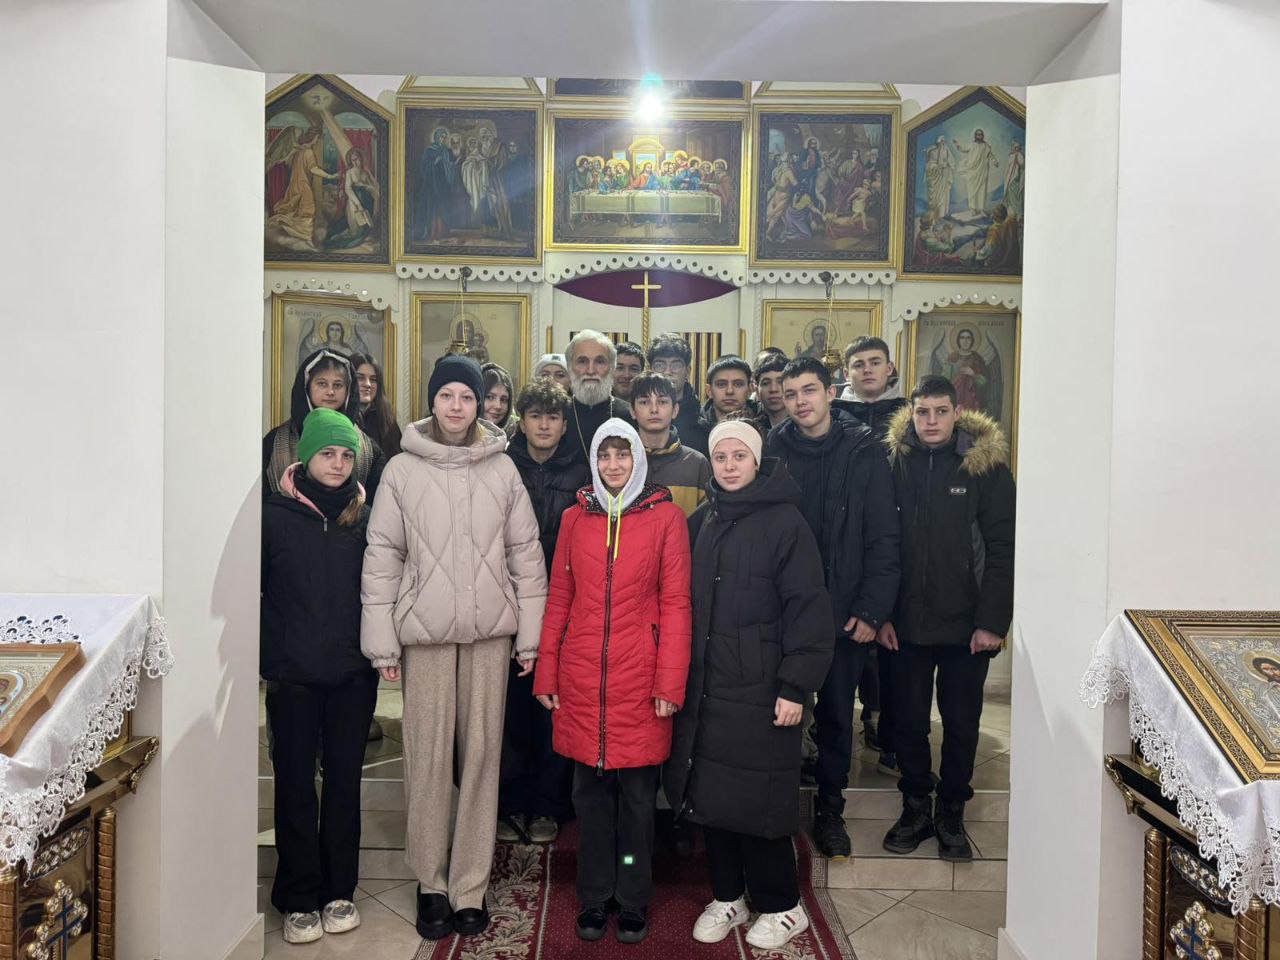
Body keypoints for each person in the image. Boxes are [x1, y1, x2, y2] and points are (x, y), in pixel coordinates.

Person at [361, 355, 547, 940]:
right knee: (428, 756)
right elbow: (383, 557)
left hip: (491, 633)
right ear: (433, 401)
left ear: (481, 404)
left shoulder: (503, 468)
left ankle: (470, 884)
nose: (458, 407)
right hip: (426, 635)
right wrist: (382, 642)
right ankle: (432, 882)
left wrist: (531, 637)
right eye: (447, 396)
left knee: (483, 756)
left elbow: (526, 555)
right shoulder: (401, 469)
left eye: (467, 397)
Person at [664, 421, 833, 950]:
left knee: (760, 799)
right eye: (721, 457)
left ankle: (783, 906)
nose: (730, 465)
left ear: (758, 461)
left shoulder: (786, 523)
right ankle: (728, 895)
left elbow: (808, 608)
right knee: (711, 796)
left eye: (740, 456)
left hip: (763, 689)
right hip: (709, 686)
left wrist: (796, 686)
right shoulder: (704, 520)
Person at [533, 418, 692, 945]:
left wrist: (669, 684)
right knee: (591, 798)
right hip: (582, 680)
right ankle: (596, 895)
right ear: (594, 461)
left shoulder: (667, 518)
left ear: (638, 459)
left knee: (638, 801)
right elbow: (560, 599)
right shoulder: (575, 518)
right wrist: (547, 671)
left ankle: (632, 896)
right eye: (605, 455)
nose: (613, 465)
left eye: (623, 455)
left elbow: (677, 604)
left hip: (640, 681)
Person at [765, 357, 900, 859]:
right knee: (781, 715)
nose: (800, 401)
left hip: (845, 611)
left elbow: (884, 536)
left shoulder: (864, 449)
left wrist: (871, 610)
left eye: (809, 390)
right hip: (785, 611)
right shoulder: (774, 448)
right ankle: (777, 809)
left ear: (830, 392)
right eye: (791, 393)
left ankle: (831, 811)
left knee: (839, 718)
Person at [879, 376, 1015, 863]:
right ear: (911, 413)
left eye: (940, 411)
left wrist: (992, 622)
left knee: (961, 723)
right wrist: (882, 615)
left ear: (957, 413)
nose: (931, 421)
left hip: (966, 626)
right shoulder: (893, 462)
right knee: (908, 722)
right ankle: (916, 805)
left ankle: (952, 809)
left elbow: (1003, 548)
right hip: (905, 623)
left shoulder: (985, 466)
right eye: (922, 412)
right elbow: (881, 543)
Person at [261, 408, 376, 945]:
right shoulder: (274, 516)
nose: (337, 464)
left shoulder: (366, 518)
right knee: (294, 785)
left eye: (347, 455)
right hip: (294, 676)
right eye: (328, 453)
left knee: (345, 784)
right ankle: (299, 894)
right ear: (306, 456)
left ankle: (338, 890)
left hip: (353, 674)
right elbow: (253, 590)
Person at [498, 380, 589, 845]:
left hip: (564, 600)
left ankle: (549, 805)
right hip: (509, 598)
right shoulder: (502, 464)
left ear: (564, 424)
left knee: (554, 704)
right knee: (512, 707)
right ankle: (510, 801)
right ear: (522, 421)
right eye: (535, 416)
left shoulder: (582, 469)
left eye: (553, 417)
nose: (544, 425)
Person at [264, 348, 385, 504]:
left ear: (348, 390)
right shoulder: (274, 441)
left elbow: (376, 507)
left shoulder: (369, 450)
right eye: (322, 384)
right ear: (307, 386)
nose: (330, 392)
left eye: (338, 385)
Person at [630, 371, 711, 517]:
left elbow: (706, 522)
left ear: (675, 410)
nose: (654, 410)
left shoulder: (696, 463)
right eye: (644, 402)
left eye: (662, 402)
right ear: (632, 411)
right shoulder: (621, 462)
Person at [561, 329, 633, 464]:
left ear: (612, 368)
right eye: (582, 361)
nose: (590, 370)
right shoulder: (558, 415)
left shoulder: (630, 415)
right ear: (570, 367)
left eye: (600, 361)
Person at [647, 333, 710, 457]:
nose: (667, 372)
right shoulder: (637, 418)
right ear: (650, 370)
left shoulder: (703, 428)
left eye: (675, 365)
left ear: (687, 371)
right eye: (660, 365)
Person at [837, 336, 907, 441]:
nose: (867, 370)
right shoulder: (831, 415)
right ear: (846, 374)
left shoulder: (909, 413)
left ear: (889, 368)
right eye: (859, 365)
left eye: (875, 363)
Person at [351, 353, 401, 459]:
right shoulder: (338, 417)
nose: (367, 384)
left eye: (373, 380)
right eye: (360, 378)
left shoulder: (388, 421)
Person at [701, 356, 757, 429]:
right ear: (709, 391)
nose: (729, 391)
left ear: (749, 390)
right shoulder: (694, 427)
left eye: (738, 384)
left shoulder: (765, 424)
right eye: (721, 385)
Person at [752, 351, 790, 432]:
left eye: (780, 382)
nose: (773, 389)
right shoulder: (750, 427)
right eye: (766, 383)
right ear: (756, 389)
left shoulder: (804, 424)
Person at [481, 362, 515, 430]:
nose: (498, 406)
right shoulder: (461, 434)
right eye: (490, 397)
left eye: (503, 400)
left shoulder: (513, 434)